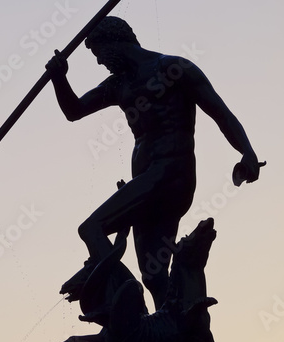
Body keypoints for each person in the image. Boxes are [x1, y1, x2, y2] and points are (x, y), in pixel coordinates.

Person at [46, 16, 263, 310]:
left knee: (91, 228)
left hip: (171, 173)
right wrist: (59, 78)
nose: (100, 63)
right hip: (147, 181)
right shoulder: (119, 84)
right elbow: (75, 110)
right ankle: (170, 335)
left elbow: (220, 112)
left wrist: (246, 151)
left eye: (98, 54)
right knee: (153, 274)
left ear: (114, 43)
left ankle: (128, 308)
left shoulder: (174, 69)